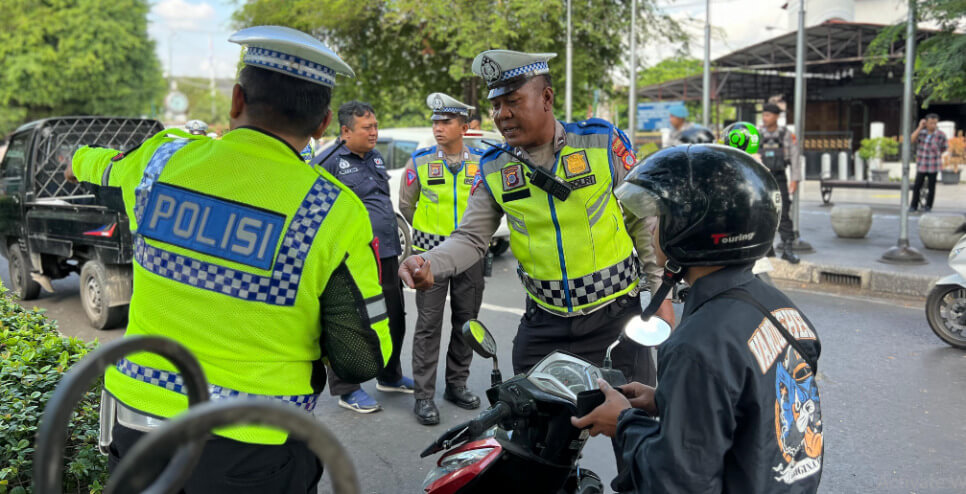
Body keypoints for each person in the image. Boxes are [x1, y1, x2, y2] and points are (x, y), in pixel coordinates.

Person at [65, 26, 392, 492]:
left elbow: (106, 164)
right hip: (254, 448)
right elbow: (362, 356)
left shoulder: (162, 162)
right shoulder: (333, 210)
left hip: (137, 426)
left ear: (237, 99)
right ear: (321, 126)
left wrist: (76, 160)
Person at [399, 50, 674, 386]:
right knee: (535, 434)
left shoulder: (601, 142)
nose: (503, 115)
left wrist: (661, 294)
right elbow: (471, 238)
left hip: (616, 319)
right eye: (496, 106)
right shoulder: (493, 167)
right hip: (544, 323)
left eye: (513, 101)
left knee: (630, 427)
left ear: (546, 97)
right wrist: (429, 261)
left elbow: (643, 220)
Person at [575, 144, 823, 493]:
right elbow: (752, 404)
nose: (650, 229)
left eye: (660, 217)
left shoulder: (697, 345)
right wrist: (664, 399)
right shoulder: (779, 307)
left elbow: (677, 480)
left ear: (694, 227)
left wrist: (623, 422)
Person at [312, 101, 413, 413]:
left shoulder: (376, 156)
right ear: (345, 131)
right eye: (366, 128)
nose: (374, 132)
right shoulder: (326, 162)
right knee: (350, 321)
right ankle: (347, 389)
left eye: (375, 126)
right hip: (352, 260)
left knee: (394, 317)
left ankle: (389, 374)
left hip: (386, 252)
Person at [398, 92, 485, 425]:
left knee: (466, 323)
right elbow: (407, 206)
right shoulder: (419, 161)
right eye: (435, 121)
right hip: (428, 257)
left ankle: (456, 384)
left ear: (463, 126)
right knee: (428, 326)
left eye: (446, 122)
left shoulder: (482, 161)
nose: (438, 127)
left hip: (470, 256)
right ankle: (423, 396)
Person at [757, 102, 801, 264]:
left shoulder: (785, 134)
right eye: (764, 115)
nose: (765, 118)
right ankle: (766, 250)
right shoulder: (758, 134)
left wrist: (795, 179)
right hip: (761, 178)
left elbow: (795, 158)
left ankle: (787, 249)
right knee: (761, 213)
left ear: (776, 117)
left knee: (782, 212)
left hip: (780, 177)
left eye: (768, 115)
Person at [909, 113, 948, 213]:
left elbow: (944, 148)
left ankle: (928, 206)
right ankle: (913, 205)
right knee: (917, 185)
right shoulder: (921, 133)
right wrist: (919, 127)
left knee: (932, 187)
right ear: (926, 123)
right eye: (931, 123)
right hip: (922, 164)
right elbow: (911, 139)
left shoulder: (941, 135)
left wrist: (935, 153)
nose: (933, 125)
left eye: (935, 123)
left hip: (933, 165)